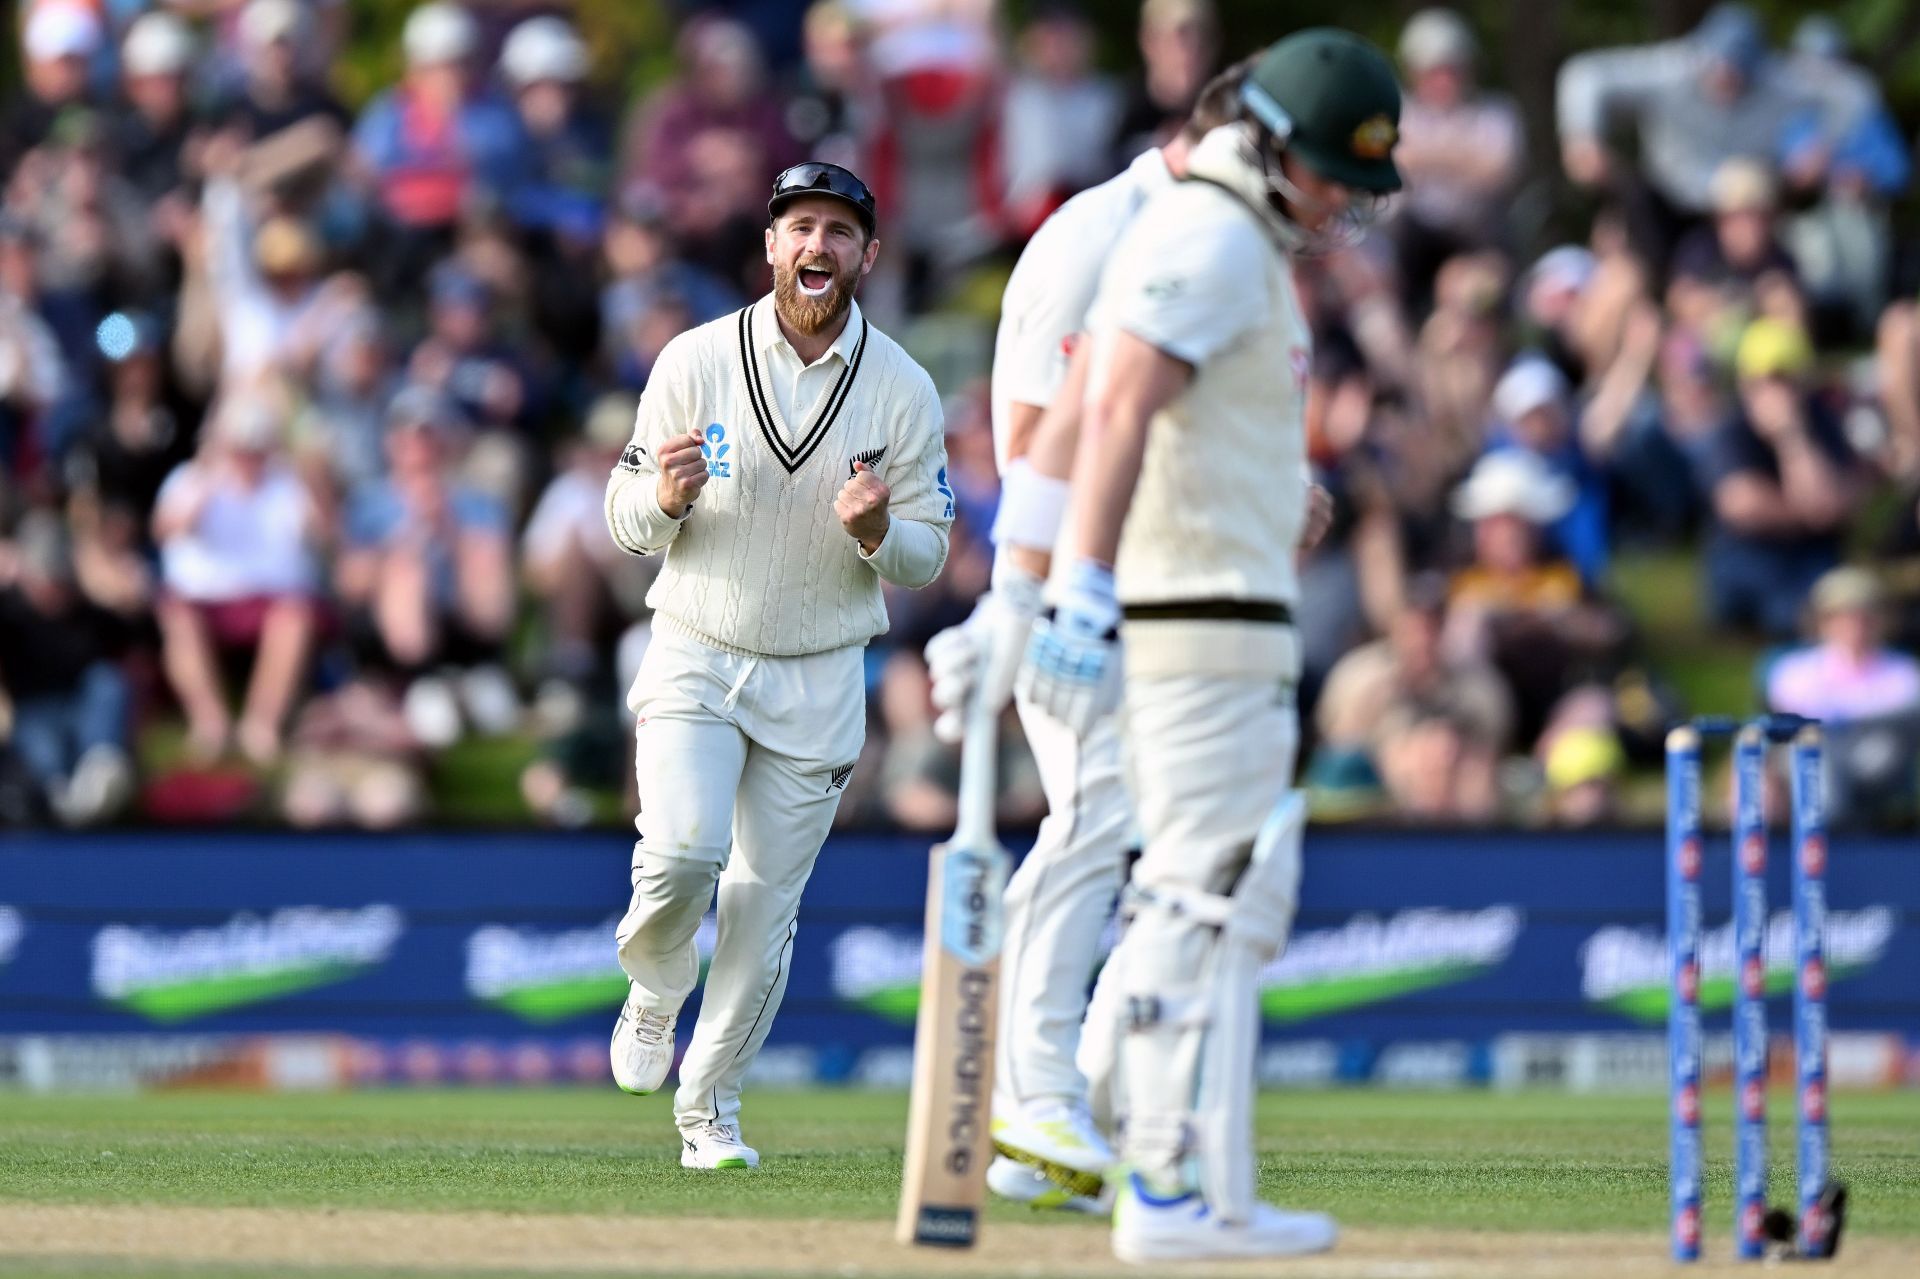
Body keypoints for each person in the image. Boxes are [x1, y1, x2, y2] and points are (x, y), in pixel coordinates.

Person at [1018, 29, 1401, 1261]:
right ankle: (1169, 1192)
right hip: (1196, 623)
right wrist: (1062, 584)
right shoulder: (1209, 235)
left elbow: (1107, 408)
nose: (1341, 204)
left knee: (1221, 891)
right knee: (1202, 894)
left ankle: (1196, 1188)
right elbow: (1109, 403)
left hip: (1220, 615)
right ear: (1278, 141)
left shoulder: (1226, 234)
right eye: (1336, 172)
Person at [921, 58, 1313, 1216]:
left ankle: (1061, 1117)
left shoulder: (1233, 240)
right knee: (1097, 814)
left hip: (1180, 584)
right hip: (1081, 584)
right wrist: (1027, 596)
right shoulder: (1107, 231)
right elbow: (1046, 427)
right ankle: (1031, 1086)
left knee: (1157, 842)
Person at [602, 163, 951, 1170]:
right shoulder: (695, 360)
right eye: (801, 227)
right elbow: (623, 520)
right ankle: (658, 983)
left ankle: (708, 1111)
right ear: (770, 247)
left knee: (761, 909)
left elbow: (929, 555)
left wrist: (882, 530)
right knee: (679, 855)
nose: (819, 248)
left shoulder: (903, 388)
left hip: (822, 670)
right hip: (698, 651)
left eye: (840, 233)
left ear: (867, 256)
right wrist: (662, 501)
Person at [1704, 317, 1862, 637]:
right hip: (1749, 555)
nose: (1776, 392)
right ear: (1745, 383)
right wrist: (1810, 512)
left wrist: (1792, 437)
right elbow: (1741, 506)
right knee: (1791, 612)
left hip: (1811, 555)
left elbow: (1837, 504)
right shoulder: (1731, 430)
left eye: (1784, 379)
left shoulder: (1822, 424)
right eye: (1764, 380)